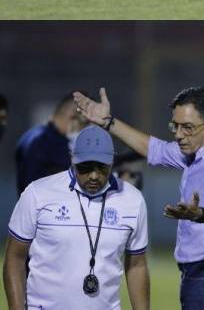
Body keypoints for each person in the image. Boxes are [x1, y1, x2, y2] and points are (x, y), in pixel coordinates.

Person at [73, 86, 204, 310]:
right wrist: (108, 121)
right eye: (174, 126)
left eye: (187, 127)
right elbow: (154, 149)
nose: (178, 134)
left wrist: (200, 214)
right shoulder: (199, 150)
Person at [4, 126, 149, 310]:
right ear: (72, 158)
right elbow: (14, 258)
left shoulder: (132, 200)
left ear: (112, 161)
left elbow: (137, 265)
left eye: (102, 167)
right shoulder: (37, 193)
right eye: (86, 167)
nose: (94, 175)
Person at [15, 92, 87, 196]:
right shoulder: (39, 141)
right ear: (73, 117)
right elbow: (32, 188)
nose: (86, 129)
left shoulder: (37, 137)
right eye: (85, 123)